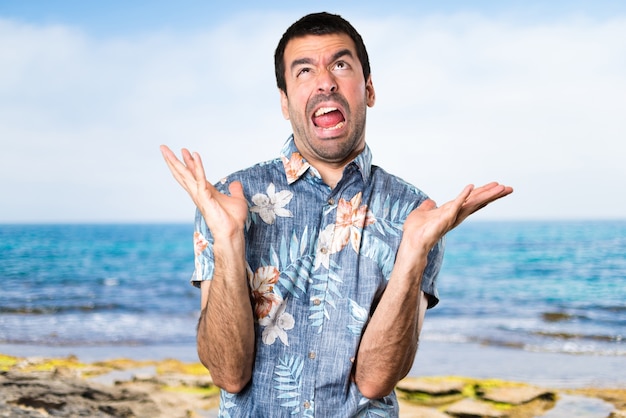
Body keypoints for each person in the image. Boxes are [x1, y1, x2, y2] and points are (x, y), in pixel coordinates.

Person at [161, 11, 513, 417]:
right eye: (304, 70)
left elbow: (376, 380)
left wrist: (414, 250)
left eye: (340, 65)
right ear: (284, 101)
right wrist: (227, 240)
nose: (325, 81)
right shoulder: (225, 200)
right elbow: (227, 373)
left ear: (369, 89)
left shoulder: (417, 215)